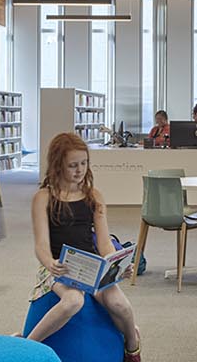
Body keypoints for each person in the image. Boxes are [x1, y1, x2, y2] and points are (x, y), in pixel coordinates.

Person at [25, 133, 144, 362]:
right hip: (59, 267)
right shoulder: (43, 198)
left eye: (84, 163)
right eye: (72, 165)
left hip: (92, 267)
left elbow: (104, 243)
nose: (79, 170)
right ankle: (27, 345)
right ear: (58, 165)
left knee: (120, 304)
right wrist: (50, 264)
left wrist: (118, 264)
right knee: (73, 301)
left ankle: (132, 346)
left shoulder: (94, 197)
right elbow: (41, 245)